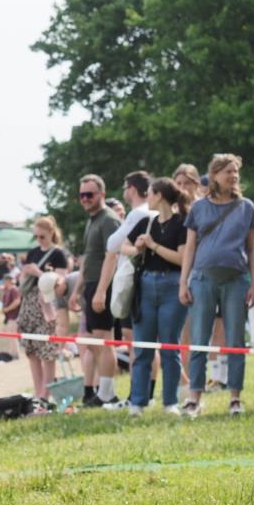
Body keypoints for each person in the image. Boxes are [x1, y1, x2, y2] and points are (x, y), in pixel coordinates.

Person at [179, 154, 254, 418]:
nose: (233, 176)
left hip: (236, 280)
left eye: (236, 171)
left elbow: (252, 248)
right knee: (200, 339)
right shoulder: (199, 208)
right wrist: (184, 281)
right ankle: (194, 398)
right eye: (228, 171)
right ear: (214, 175)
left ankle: (235, 397)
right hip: (203, 279)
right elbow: (190, 247)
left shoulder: (247, 206)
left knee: (235, 339)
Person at [120, 177, 191, 415]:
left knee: (170, 347)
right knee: (142, 348)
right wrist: (138, 248)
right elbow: (124, 247)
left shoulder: (182, 224)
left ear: (159, 195)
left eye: (149, 193)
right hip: (146, 287)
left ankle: (170, 402)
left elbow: (182, 259)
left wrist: (153, 246)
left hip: (173, 285)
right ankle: (137, 403)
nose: (147, 197)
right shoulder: (145, 222)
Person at [95, 171, 152, 409]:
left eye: (126, 187)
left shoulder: (139, 213)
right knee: (143, 342)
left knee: (135, 340)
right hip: (142, 280)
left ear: (133, 189)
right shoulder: (150, 212)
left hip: (133, 282)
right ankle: (143, 395)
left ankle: (137, 396)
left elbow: (112, 244)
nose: (124, 191)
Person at [69, 175, 121, 406]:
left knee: (103, 341)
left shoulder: (109, 220)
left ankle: (107, 393)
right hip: (91, 285)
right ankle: (102, 391)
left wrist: (101, 291)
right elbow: (88, 260)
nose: (85, 199)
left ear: (101, 194)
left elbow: (114, 256)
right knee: (91, 343)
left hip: (104, 285)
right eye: (82, 195)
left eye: (90, 194)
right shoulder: (92, 221)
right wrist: (76, 291)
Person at [16, 216, 68, 399]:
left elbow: (59, 283)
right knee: (32, 352)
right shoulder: (32, 253)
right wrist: (24, 275)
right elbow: (23, 283)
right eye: (36, 236)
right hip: (29, 305)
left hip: (46, 305)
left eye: (42, 236)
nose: (39, 240)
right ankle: (39, 394)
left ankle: (45, 396)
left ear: (51, 233)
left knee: (47, 352)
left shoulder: (58, 254)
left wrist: (37, 272)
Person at [0, 274, 21, 363]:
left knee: (13, 336)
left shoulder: (14, 290)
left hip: (14, 317)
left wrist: (7, 309)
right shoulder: (7, 291)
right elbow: (2, 301)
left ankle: (15, 354)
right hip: (8, 317)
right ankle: (10, 353)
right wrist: (1, 292)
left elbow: (17, 301)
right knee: (9, 336)